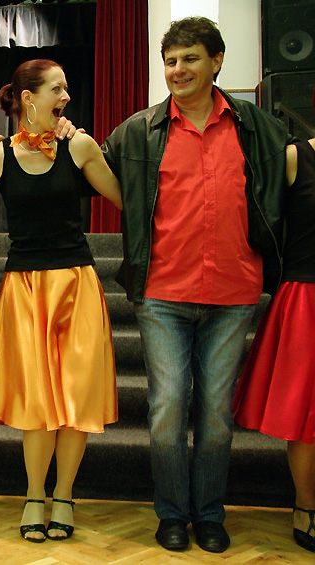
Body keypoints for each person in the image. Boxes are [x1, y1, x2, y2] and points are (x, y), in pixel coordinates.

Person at [101, 17, 290, 553]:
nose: (177, 70)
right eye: (170, 61)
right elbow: (82, 164)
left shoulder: (258, 128)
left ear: (216, 61)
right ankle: (171, 514)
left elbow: (291, 180)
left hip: (233, 292)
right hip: (162, 292)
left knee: (215, 416)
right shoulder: (138, 130)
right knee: (166, 410)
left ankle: (208, 513)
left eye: (189, 59)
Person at [0, 59, 122, 543]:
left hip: (76, 284)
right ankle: (35, 495)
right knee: (37, 400)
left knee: (75, 398)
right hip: (24, 289)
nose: (67, 97)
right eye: (58, 88)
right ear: (28, 98)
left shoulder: (80, 146)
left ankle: (65, 495)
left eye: (67, 88)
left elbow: (127, 200)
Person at [232, 87, 315, 554]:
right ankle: (306, 505)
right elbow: (262, 219)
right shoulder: (293, 157)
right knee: (305, 414)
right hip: (306, 294)